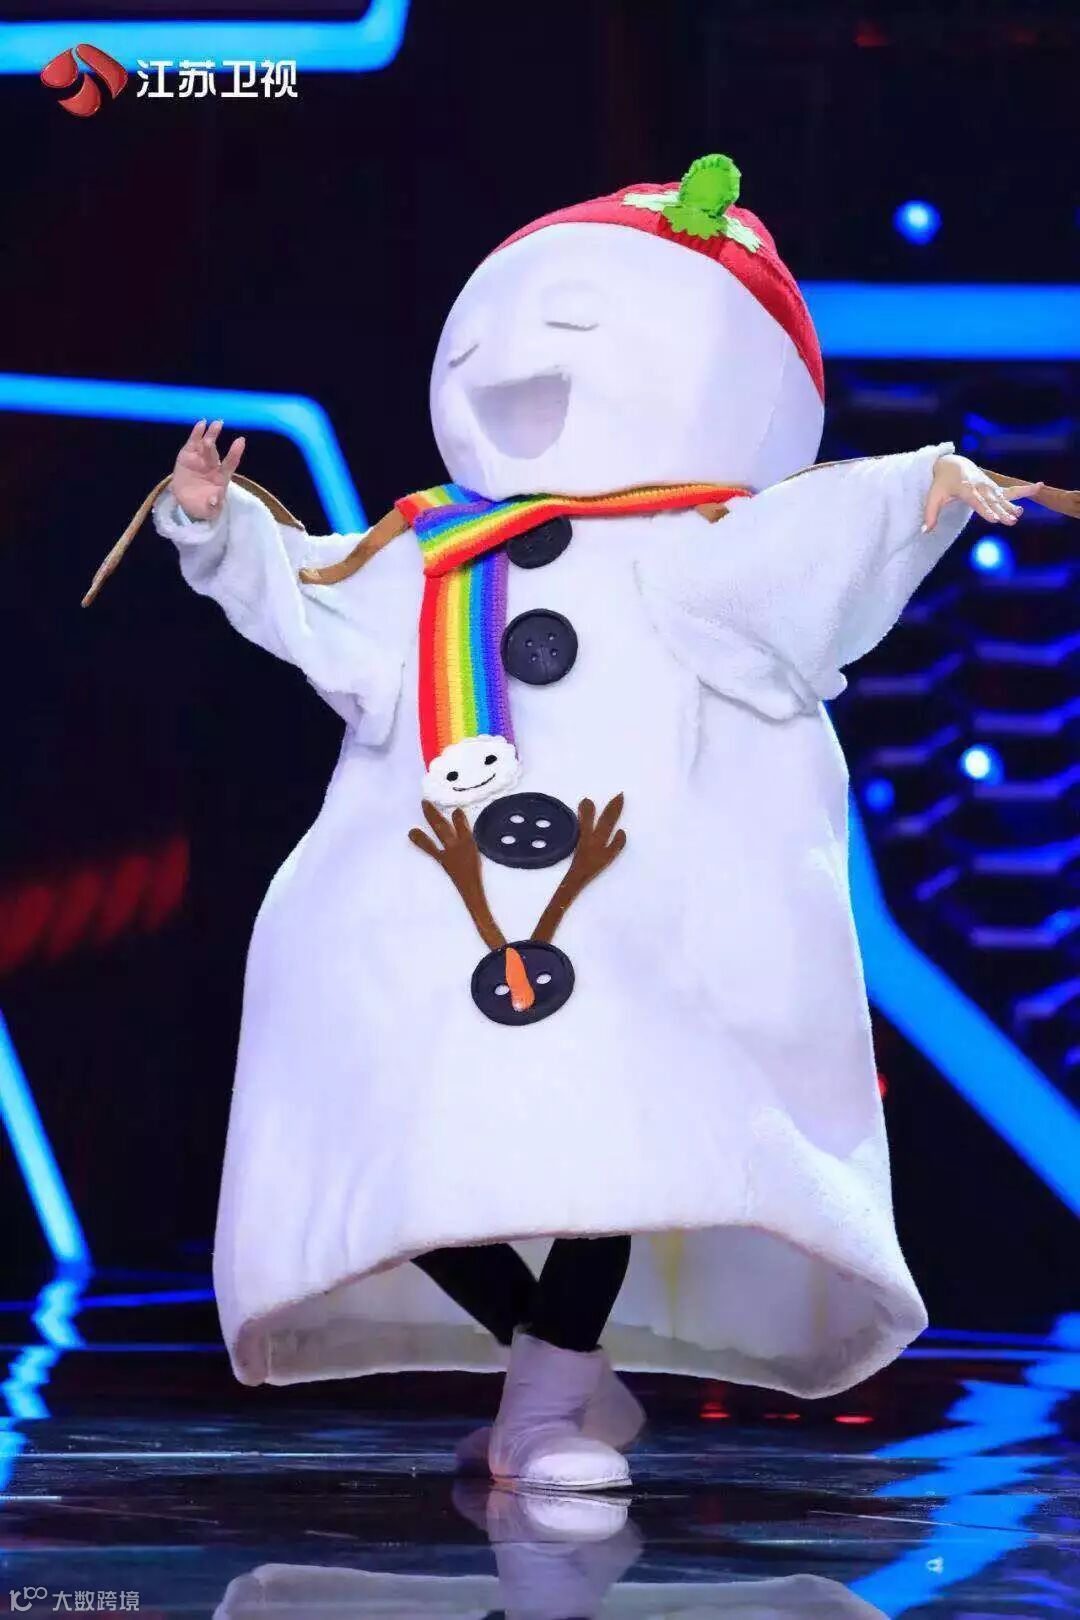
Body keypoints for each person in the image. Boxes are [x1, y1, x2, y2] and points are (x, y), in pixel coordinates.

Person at [95, 154, 1054, 1492]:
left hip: (629, 926)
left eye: (576, 319)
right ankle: (569, 1387)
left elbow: (822, 543)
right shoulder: (425, 551)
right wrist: (216, 530)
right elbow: (310, 594)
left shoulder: (704, 545)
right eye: (486, 330)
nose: (512, 356)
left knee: (612, 1148)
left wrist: (922, 488)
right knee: (400, 1164)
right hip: (426, 930)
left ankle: (541, 1417)